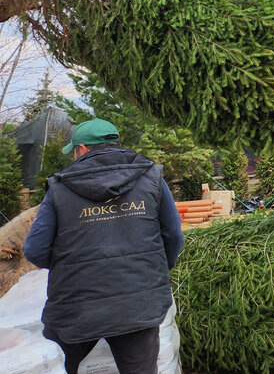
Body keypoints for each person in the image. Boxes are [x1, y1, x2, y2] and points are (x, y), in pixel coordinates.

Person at [23, 118, 184, 374]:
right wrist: (155, 270)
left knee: (58, 365)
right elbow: (174, 236)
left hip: (75, 306)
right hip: (139, 303)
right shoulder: (151, 177)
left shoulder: (60, 187)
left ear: (83, 149)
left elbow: (35, 250)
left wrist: (71, 266)